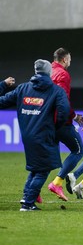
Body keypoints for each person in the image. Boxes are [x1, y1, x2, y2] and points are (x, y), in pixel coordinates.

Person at [0, 60, 69, 211]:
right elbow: (64, 112)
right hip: (44, 134)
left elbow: (2, 102)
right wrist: (56, 126)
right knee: (43, 169)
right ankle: (28, 203)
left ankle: (26, 196)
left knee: (37, 167)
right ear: (49, 72)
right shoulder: (56, 91)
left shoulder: (23, 88)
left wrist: (3, 86)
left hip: (27, 134)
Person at [48, 48, 83, 201]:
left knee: (46, 158)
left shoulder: (48, 71)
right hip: (61, 121)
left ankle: (33, 192)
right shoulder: (63, 74)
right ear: (64, 59)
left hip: (46, 120)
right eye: (69, 59)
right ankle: (57, 182)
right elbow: (62, 101)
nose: (70, 62)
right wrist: (74, 116)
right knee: (78, 150)